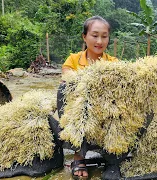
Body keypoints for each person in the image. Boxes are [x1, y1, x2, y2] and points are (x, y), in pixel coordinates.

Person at [61, 16, 118, 179]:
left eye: (104, 36)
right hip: (80, 113)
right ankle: (79, 155)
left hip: (105, 113)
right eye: (94, 35)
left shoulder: (114, 63)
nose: (99, 41)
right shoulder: (72, 60)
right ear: (84, 37)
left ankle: (113, 158)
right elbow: (67, 81)